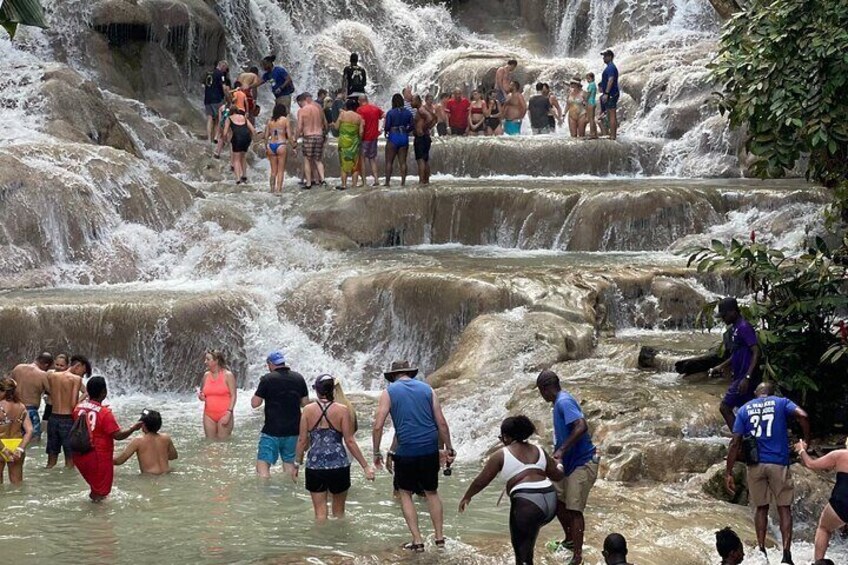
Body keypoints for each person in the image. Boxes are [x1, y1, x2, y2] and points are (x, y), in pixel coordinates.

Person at [372, 360, 455, 552]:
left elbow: (378, 426)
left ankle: (417, 541)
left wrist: (377, 452)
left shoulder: (389, 392)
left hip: (406, 451)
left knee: (405, 494)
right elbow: (441, 423)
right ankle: (440, 539)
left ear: (392, 376)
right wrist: (449, 448)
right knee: (432, 492)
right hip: (429, 450)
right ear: (410, 373)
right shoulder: (428, 390)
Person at [459, 415, 563, 565]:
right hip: (550, 501)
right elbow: (557, 476)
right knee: (529, 545)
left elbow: (481, 481)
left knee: (522, 556)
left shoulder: (501, 454)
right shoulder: (539, 450)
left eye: (501, 437)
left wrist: (467, 496)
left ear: (506, 437)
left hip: (528, 503)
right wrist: (560, 464)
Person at [725, 382, 810, 564]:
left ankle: (762, 550)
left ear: (756, 393)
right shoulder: (781, 402)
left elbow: (735, 442)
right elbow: (803, 415)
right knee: (784, 508)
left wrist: (728, 472)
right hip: (778, 462)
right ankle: (786, 554)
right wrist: (805, 442)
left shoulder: (744, 409)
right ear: (772, 393)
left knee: (761, 508)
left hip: (755, 465)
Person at [536, 370, 599, 565]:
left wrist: (562, 450)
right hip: (568, 463)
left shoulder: (564, 401)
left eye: (540, 390)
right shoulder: (558, 403)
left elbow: (581, 426)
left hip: (582, 462)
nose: (541, 395)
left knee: (574, 509)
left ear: (546, 388)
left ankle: (577, 557)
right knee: (556, 500)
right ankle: (570, 540)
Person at [294, 374, 374, 521]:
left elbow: (302, 440)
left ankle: (320, 541)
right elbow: (350, 441)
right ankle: (339, 542)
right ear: (333, 389)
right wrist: (365, 466)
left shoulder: (307, 410)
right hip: (339, 464)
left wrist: (296, 465)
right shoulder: (342, 410)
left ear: (317, 391)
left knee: (319, 513)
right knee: (339, 513)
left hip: (315, 465)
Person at [73, 376, 142, 502]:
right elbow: (118, 435)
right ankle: (98, 520)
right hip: (98, 456)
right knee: (101, 494)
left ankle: (90, 515)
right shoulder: (105, 413)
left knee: (95, 490)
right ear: (104, 392)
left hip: (79, 455)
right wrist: (133, 428)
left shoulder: (78, 408)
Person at [251, 351, 308, 478]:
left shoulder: (267, 379)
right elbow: (305, 403)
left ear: (271, 364)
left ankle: (263, 493)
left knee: (263, 464)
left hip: (272, 430)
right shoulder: (298, 378)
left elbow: (255, 403)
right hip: (293, 430)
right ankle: (289, 493)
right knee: (289, 465)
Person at [709, 297, 761, 430]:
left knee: (725, 407)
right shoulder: (735, 329)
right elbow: (737, 354)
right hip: (740, 376)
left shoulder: (744, 327)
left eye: (724, 315)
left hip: (745, 377)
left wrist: (747, 377)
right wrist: (721, 366)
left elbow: (756, 351)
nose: (723, 319)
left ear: (733, 312)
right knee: (748, 410)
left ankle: (739, 440)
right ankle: (749, 440)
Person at [794, 438, 848, 561]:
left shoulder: (840, 455)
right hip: (840, 501)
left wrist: (801, 450)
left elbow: (811, 464)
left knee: (824, 528)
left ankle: (818, 561)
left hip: (841, 501)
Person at [46, 355, 88, 469]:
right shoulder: (76, 379)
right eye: (82, 372)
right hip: (67, 420)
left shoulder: (52, 375)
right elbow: (73, 404)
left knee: (51, 460)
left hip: (53, 418)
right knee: (70, 460)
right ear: (78, 366)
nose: (81, 375)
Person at [113, 409, 178, 475]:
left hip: (150, 478)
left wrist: (103, 458)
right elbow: (174, 456)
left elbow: (119, 461)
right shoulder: (166, 438)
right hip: (166, 474)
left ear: (142, 424)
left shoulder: (138, 440)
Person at [10, 351, 52, 441]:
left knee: (14, 439)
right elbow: (51, 392)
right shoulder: (42, 374)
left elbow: (8, 386)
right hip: (30, 410)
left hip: (14, 408)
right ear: (46, 365)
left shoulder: (18, 368)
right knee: (33, 440)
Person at [0, 378, 34, 484]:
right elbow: (30, 430)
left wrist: (3, 449)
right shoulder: (21, 406)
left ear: (3, 391)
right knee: (17, 484)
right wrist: (20, 448)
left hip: (1, 445)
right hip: (16, 444)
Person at [198, 351, 236, 441]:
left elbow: (234, 396)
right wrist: (201, 397)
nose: (205, 362)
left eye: (208, 359)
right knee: (209, 443)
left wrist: (229, 413)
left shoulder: (228, 375)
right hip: (208, 415)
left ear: (216, 361)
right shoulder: (206, 375)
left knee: (223, 445)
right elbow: (203, 393)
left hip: (224, 413)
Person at [296, 92, 326, 189]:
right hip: (319, 135)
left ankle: (308, 183)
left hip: (308, 136)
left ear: (302, 101)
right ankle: (323, 180)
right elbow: (322, 122)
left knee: (307, 160)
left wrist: (295, 138)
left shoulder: (302, 111)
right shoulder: (316, 109)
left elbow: (300, 127)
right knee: (317, 160)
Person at [333, 98, 363, 191]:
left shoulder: (342, 114)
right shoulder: (359, 117)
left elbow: (337, 127)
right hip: (354, 143)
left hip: (343, 143)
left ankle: (344, 185)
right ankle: (354, 185)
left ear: (346, 106)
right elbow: (361, 132)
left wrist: (333, 124)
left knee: (343, 165)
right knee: (355, 166)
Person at [383, 93, 414, 187]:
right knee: (403, 162)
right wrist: (406, 130)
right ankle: (403, 182)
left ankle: (387, 182)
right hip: (403, 137)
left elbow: (387, 126)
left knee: (389, 162)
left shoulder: (391, 112)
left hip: (393, 137)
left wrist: (387, 131)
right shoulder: (408, 113)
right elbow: (412, 125)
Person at [264, 103, 294, 194]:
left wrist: (266, 147)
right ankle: (279, 190)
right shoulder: (285, 120)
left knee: (273, 171)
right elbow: (289, 136)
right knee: (280, 170)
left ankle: (272, 189)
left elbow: (266, 136)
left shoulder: (270, 121)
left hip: (271, 145)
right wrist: (293, 146)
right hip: (281, 144)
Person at [222, 106, 256, 185]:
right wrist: (254, 139)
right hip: (247, 138)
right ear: (237, 111)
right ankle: (244, 176)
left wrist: (225, 140)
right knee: (243, 157)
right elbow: (253, 130)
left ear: (230, 112)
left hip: (237, 138)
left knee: (236, 159)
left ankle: (238, 179)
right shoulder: (243, 117)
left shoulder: (229, 118)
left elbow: (225, 132)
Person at [356, 94, 384, 187]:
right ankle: (376, 179)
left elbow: (362, 124)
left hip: (364, 138)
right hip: (374, 138)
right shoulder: (375, 108)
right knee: (372, 159)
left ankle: (364, 182)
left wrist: (359, 136)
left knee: (362, 160)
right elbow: (385, 115)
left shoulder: (360, 110)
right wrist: (381, 129)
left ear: (360, 101)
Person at [203, 60, 231, 144]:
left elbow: (205, 84)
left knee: (210, 118)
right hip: (216, 99)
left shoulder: (209, 73)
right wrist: (228, 97)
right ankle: (215, 138)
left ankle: (208, 139)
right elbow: (224, 87)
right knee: (218, 119)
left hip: (207, 99)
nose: (225, 71)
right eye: (225, 69)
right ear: (222, 66)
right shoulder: (220, 75)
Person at [412, 94, 437, 185]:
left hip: (421, 138)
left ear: (418, 101)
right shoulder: (423, 109)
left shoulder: (421, 109)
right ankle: (426, 181)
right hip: (425, 137)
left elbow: (431, 118)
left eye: (413, 101)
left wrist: (423, 128)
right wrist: (427, 128)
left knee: (420, 160)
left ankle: (421, 180)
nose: (411, 103)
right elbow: (434, 118)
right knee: (425, 159)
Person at [43, 353, 69, 433]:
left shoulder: (69, 377)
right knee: (44, 433)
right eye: (57, 364)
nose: (59, 367)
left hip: (62, 411)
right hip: (49, 407)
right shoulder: (49, 374)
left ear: (67, 366)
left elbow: (85, 391)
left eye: (62, 366)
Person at [599, 49, 619, 140]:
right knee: (611, 114)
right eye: (603, 56)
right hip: (611, 93)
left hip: (611, 94)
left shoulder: (611, 67)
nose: (604, 58)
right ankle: (612, 134)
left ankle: (613, 135)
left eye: (605, 56)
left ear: (610, 57)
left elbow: (610, 80)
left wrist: (606, 93)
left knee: (612, 114)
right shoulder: (610, 67)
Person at [584, 73, 598, 139]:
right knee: (592, 119)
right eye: (587, 79)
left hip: (590, 102)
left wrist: (584, 101)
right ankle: (595, 133)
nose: (588, 80)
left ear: (592, 78)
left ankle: (592, 134)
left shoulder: (591, 85)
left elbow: (588, 94)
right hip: (593, 101)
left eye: (589, 78)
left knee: (591, 119)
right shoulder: (594, 84)